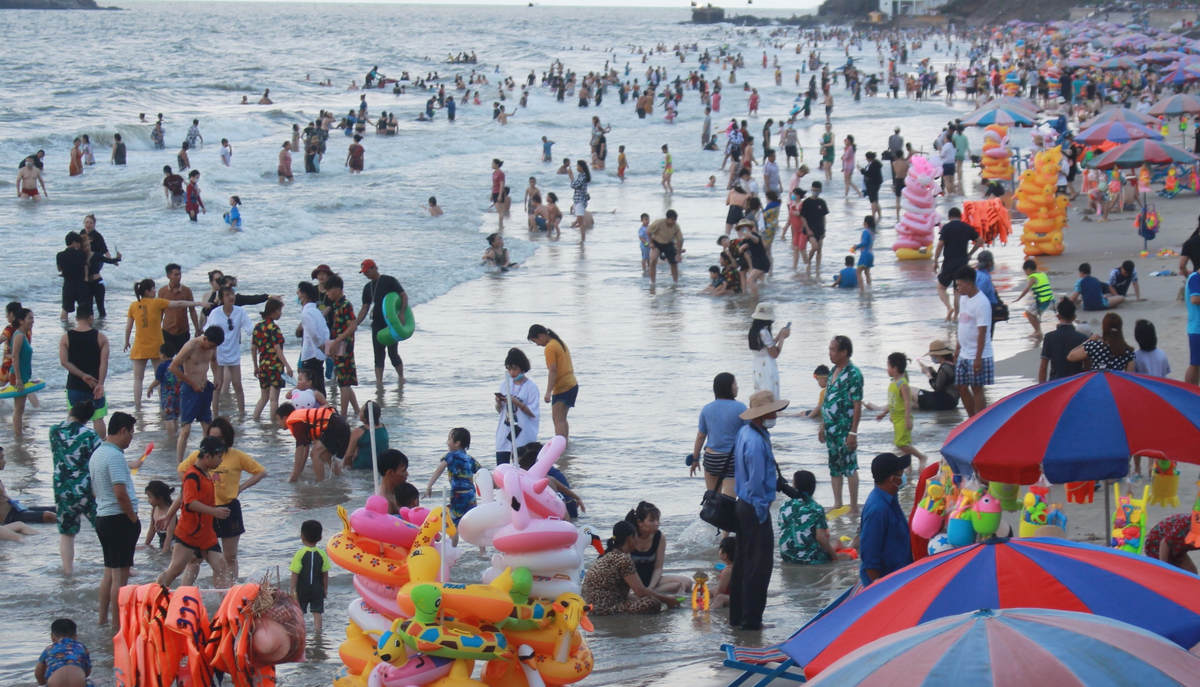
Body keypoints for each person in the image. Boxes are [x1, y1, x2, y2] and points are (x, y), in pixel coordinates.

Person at [170, 417, 266, 582]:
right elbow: (181, 470)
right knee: (195, 558)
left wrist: (240, 488)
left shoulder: (237, 456)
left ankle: (228, 591)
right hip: (205, 511)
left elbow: (261, 472)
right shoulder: (200, 455)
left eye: (220, 438)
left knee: (229, 556)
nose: (216, 441)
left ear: (227, 438)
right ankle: (185, 590)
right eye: (212, 437)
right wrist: (191, 486)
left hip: (229, 509)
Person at [731, 390, 789, 631]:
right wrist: (762, 511)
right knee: (759, 566)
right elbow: (755, 484)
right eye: (772, 411)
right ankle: (752, 620)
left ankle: (738, 616)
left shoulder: (746, 432)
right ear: (762, 414)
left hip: (743, 504)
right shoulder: (755, 440)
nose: (775, 415)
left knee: (743, 563)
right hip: (754, 507)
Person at [155, 436, 232, 589]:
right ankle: (153, 595)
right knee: (176, 569)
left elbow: (182, 496)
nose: (221, 461)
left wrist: (168, 516)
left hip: (206, 533)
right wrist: (214, 511)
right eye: (218, 457)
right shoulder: (192, 476)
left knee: (221, 566)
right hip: (189, 533)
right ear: (207, 456)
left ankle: (225, 599)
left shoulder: (205, 473)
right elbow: (189, 502)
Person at [89, 412, 141, 631]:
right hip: (119, 519)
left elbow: (94, 491)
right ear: (123, 431)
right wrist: (133, 518)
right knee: (120, 576)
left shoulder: (98, 453)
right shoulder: (115, 456)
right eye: (131, 433)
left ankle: (103, 619)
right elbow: (120, 493)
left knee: (109, 573)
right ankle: (117, 625)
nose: (131, 438)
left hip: (103, 517)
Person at [582, 521, 679, 615]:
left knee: (645, 599)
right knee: (652, 603)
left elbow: (622, 593)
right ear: (630, 538)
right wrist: (667, 599)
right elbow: (640, 591)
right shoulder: (624, 559)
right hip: (603, 608)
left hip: (589, 605)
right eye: (636, 537)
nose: (637, 541)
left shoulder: (608, 555)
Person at [49, 401, 101, 575]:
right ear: (88, 418)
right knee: (103, 529)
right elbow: (100, 459)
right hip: (86, 489)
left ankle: (68, 571)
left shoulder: (54, 431)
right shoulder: (90, 435)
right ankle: (123, 568)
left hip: (62, 488)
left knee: (67, 533)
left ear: (72, 410)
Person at [820, 335, 864, 512]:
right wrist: (823, 425)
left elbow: (857, 404)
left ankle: (853, 506)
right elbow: (828, 399)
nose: (830, 353)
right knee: (834, 466)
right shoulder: (833, 371)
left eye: (833, 350)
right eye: (829, 349)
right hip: (830, 428)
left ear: (844, 352)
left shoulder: (854, 374)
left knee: (850, 466)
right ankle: (837, 503)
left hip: (845, 429)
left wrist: (853, 432)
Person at [170, 326, 225, 463]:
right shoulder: (191, 346)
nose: (211, 348)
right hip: (190, 390)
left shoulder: (213, 346)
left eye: (214, 346)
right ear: (205, 338)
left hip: (205, 388)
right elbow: (173, 367)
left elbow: (213, 360)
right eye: (210, 345)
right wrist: (192, 383)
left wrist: (217, 377)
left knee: (207, 428)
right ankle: (179, 463)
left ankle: (205, 460)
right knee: (186, 430)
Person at [691, 372, 747, 503]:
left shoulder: (707, 409)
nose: (737, 387)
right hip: (731, 458)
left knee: (713, 500)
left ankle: (712, 516)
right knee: (729, 501)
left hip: (711, 458)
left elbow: (701, 436)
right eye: (735, 384)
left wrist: (695, 458)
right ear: (728, 387)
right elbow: (748, 435)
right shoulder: (741, 408)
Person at [859, 453, 913, 586]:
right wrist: (878, 587)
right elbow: (870, 556)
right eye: (901, 473)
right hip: (889, 583)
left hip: (900, 575)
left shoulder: (890, 497)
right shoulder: (877, 510)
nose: (903, 477)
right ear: (892, 479)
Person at [59, 305, 109, 439]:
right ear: (91, 317)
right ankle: (99, 446)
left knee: (73, 418)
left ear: (76, 318)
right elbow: (104, 362)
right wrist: (100, 384)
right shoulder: (101, 337)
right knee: (98, 418)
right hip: (95, 385)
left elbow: (64, 362)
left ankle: (73, 445)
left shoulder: (66, 337)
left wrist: (82, 375)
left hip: (74, 385)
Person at [779, 470, 849, 564]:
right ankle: (852, 554)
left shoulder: (784, 505)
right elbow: (821, 538)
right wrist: (836, 556)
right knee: (836, 541)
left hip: (786, 556)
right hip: (809, 558)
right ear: (813, 487)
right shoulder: (816, 508)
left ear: (795, 486)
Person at [205, 286, 253, 416]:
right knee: (217, 385)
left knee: (237, 384)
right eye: (227, 295)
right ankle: (215, 415)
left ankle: (242, 413)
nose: (231, 297)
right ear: (222, 298)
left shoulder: (240, 312)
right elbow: (207, 331)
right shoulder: (215, 313)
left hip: (234, 352)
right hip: (218, 353)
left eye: (232, 294)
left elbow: (250, 329)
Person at [626, 501, 692, 595]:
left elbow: (658, 568)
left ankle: (650, 592)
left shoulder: (660, 537)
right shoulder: (630, 538)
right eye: (652, 520)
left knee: (687, 583)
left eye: (658, 520)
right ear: (640, 522)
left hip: (652, 579)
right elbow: (627, 570)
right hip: (631, 580)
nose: (656, 523)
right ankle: (641, 592)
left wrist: (651, 587)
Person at [357, 260, 406, 384]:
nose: (366, 275)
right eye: (364, 273)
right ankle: (379, 382)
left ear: (375, 268)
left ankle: (401, 377)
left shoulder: (389, 281)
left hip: (391, 324)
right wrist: (355, 323)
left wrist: (401, 314)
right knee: (378, 354)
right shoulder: (367, 287)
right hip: (377, 324)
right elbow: (365, 308)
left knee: (392, 353)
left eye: (367, 272)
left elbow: (403, 296)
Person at [527, 324, 578, 445]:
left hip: (562, 387)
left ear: (541, 336)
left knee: (557, 420)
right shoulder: (559, 342)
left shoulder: (550, 347)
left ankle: (560, 447)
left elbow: (553, 369)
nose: (537, 344)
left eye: (535, 341)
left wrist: (548, 392)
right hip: (572, 384)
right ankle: (565, 446)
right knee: (562, 419)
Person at [954, 266, 993, 417]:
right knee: (960, 386)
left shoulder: (982, 303)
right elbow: (962, 325)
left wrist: (978, 358)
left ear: (969, 284)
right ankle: (972, 418)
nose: (957, 288)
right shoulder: (963, 298)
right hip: (964, 352)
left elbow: (982, 332)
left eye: (960, 285)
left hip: (978, 354)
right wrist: (957, 348)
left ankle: (980, 420)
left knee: (977, 388)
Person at [276, 404, 350, 482]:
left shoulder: (296, 424)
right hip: (341, 425)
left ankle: (320, 484)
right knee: (325, 454)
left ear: (284, 418)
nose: (278, 423)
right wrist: (300, 470)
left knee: (315, 454)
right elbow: (305, 448)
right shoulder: (303, 421)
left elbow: (299, 450)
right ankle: (339, 476)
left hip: (336, 427)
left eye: (278, 420)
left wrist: (294, 475)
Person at [877, 352, 927, 467]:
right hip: (896, 418)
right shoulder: (893, 383)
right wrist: (884, 413)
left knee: (900, 443)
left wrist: (907, 419)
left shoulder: (902, 383)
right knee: (905, 444)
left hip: (903, 418)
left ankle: (921, 457)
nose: (887, 369)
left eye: (888, 366)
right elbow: (892, 402)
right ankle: (908, 468)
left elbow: (907, 402)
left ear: (895, 368)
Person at [423, 428, 479, 525]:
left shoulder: (451, 456)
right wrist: (495, 484)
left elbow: (439, 470)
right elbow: (482, 472)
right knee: (471, 521)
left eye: (449, 439)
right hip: (471, 495)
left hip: (458, 495)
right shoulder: (470, 459)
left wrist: (429, 485)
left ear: (457, 443)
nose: (447, 442)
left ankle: (453, 535)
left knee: (454, 523)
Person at [495, 348, 540, 464]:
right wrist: (499, 402)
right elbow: (499, 410)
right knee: (502, 466)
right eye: (509, 369)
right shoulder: (505, 384)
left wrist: (517, 403)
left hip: (523, 434)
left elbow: (533, 413)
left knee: (523, 467)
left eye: (514, 369)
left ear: (522, 367)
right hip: (505, 432)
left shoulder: (531, 387)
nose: (512, 373)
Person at [933, 208, 980, 320]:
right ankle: (955, 316)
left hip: (949, 263)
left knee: (941, 288)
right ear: (960, 216)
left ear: (949, 217)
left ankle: (949, 307)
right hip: (963, 264)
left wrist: (935, 261)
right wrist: (970, 253)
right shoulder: (966, 227)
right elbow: (980, 240)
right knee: (958, 291)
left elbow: (940, 245)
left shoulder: (946, 228)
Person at [251, 298, 293, 421]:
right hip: (275, 366)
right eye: (279, 310)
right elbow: (277, 349)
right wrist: (288, 366)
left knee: (263, 397)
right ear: (272, 311)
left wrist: (255, 366)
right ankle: (274, 424)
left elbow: (253, 348)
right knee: (274, 399)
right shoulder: (274, 328)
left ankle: (255, 420)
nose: (280, 313)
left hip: (263, 365)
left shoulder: (258, 326)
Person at [324, 275, 360, 417]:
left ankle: (343, 416)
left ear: (338, 290)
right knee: (345, 381)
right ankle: (357, 410)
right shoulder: (337, 306)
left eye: (329, 290)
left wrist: (337, 340)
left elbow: (353, 326)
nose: (327, 293)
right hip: (339, 348)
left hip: (345, 349)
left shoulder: (346, 305)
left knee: (344, 384)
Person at [290, 520, 331, 632]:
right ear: (320, 538)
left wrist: (293, 589)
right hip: (317, 588)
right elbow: (325, 573)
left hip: (302, 588)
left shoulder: (300, 554)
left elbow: (295, 573)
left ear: (302, 537)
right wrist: (325, 588)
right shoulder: (322, 554)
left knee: (300, 611)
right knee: (317, 612)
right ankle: (318, 632)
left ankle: (301, 631)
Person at [1039, 298, 1089, 383]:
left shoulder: (1049, 337)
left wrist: (1041, 388)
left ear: (1058, 316)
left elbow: (1043, 368)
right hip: (1076, 383)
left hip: (1055, 383)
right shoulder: (1082, 338)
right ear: (1074, 317)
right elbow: (1088, 367)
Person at [1068, 313, 1137, 372]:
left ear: (1103, 327)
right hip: (1116, 383)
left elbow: (1070, 356)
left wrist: (1088, 340)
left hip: (1098, 382)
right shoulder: (1128, 350)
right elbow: (1129, 375)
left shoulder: (1094, 346)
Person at [749, 304, 790, 398]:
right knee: (770, 395)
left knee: (760, 396)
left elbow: (767, 347)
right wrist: (782, 339)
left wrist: (779, 336)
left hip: (757, 365)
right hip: (767, 366)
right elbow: (774, 354)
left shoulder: (753, 331)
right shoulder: (764, 332)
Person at [34, 618, 91, 687]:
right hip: (78, 684)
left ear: (52, 637)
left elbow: (38, 674)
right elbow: (87, 671)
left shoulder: (49, 649)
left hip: (55, 684)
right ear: (75, 637)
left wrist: (43, 683)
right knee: (99, 681)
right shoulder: (82, 648)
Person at [7, 308, 35, 436]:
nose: (32, 321)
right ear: (21, 320)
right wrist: (18, 378)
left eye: (32, 318)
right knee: (18, 408)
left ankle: (19, 434)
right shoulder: (18, 335)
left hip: (23, 376)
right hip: (17, 376)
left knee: (21, 408)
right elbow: (15, 357)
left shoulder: (23, 335)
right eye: (30, 318)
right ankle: (18, 436)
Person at [1013, 259, 1055, 338]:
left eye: (1025, 271)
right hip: (1048, 299)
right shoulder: (1042, 274)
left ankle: (1038, 332)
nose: (1025, 274)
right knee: (1032, 314)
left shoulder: (1033, 277)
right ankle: (1038, 331)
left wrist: (1019, 298)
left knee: (1029, 313)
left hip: (1042, 301)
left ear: (1028, 269)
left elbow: (1027, 289)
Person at [343, 401, 388, 471]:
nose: (359, 413)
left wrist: (346, 470)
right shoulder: (383, 427)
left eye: (361, 411)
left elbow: (348, 455)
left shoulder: (359, 431)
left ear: (366, 416)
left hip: (360, 469)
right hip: (381, 468)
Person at [916, 341, 959, 410]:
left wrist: (928, 374)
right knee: (912, 403)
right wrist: (933, 372)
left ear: (938, 355)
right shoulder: (951, 365)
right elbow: (942, 381)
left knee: (911, 391)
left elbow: (936, 387)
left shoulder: (944, 368)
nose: (931, 357)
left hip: (944, 401)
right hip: (951, 401)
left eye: (932, 355)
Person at [57, 232, 90, 323]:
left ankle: (64, 327)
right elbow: (87, 265)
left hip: (68, 285)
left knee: (65, 309)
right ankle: (83, 326)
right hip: (81, 285)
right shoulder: (82, 254)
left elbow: (59, 269)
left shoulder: (60, 255)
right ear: (74, 242)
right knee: (83, 308)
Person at [647, 210, 684, 285]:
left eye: (675, 220)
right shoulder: (658, 223)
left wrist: (679, 254)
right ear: (667, 218)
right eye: (672, 219)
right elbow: (648, 231)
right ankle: (652, 282)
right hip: (657, 242)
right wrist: (651, 243)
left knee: (674, 263)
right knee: (653, 260)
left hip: (668, 243)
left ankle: (675, 283)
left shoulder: (676, 226)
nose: (674, 221)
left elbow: (680, 240)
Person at [799, 181, 828, 276]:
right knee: (815, 247)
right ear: (811, 189)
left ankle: (817, 270)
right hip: (810, 229)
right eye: (814, 190)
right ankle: (808, 262)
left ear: (820, 191)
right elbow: (803, 217)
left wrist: (824, 230)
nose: (815, 192)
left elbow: (824, 217)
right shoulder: (806, 202)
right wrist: (808, 230)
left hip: (820, 229)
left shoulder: (822, 202)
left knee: (819, 250)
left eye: (817, 190)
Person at [1189, 263, 1200, 386]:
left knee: (1197, 364)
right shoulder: (1196, 278)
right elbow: (1195, 299)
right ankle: (1187, 390)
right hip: (1197, 329)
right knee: (1194, 363)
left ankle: (1194, 390)